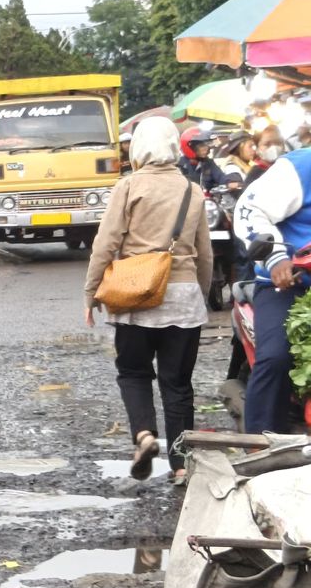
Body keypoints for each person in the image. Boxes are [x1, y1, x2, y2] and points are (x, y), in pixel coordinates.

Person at [83, 117, 212, 482]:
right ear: (173, 146)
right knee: (177, 385)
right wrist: (198, 295)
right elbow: (205, 255)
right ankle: (182, 465)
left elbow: (105, 244)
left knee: (134, 373)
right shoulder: (193, 190)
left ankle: (144, 435)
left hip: (135, 296)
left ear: (138, 147)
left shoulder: (128, 186)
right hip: (183, 297)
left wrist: (91, 292)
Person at [233, 143, 311, 433]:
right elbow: (249, 209)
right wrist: (277, 258)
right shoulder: (299, 167)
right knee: (276, 356)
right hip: (289, 284)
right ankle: (260, 446)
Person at [178, 127, 227, 193]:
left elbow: (221, 177)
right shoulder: (179, 165)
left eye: (207, 145)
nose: (207, 148)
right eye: (202, 145)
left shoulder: (209, 163)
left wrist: (231, 180)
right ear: (190, 146)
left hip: (206, 200)